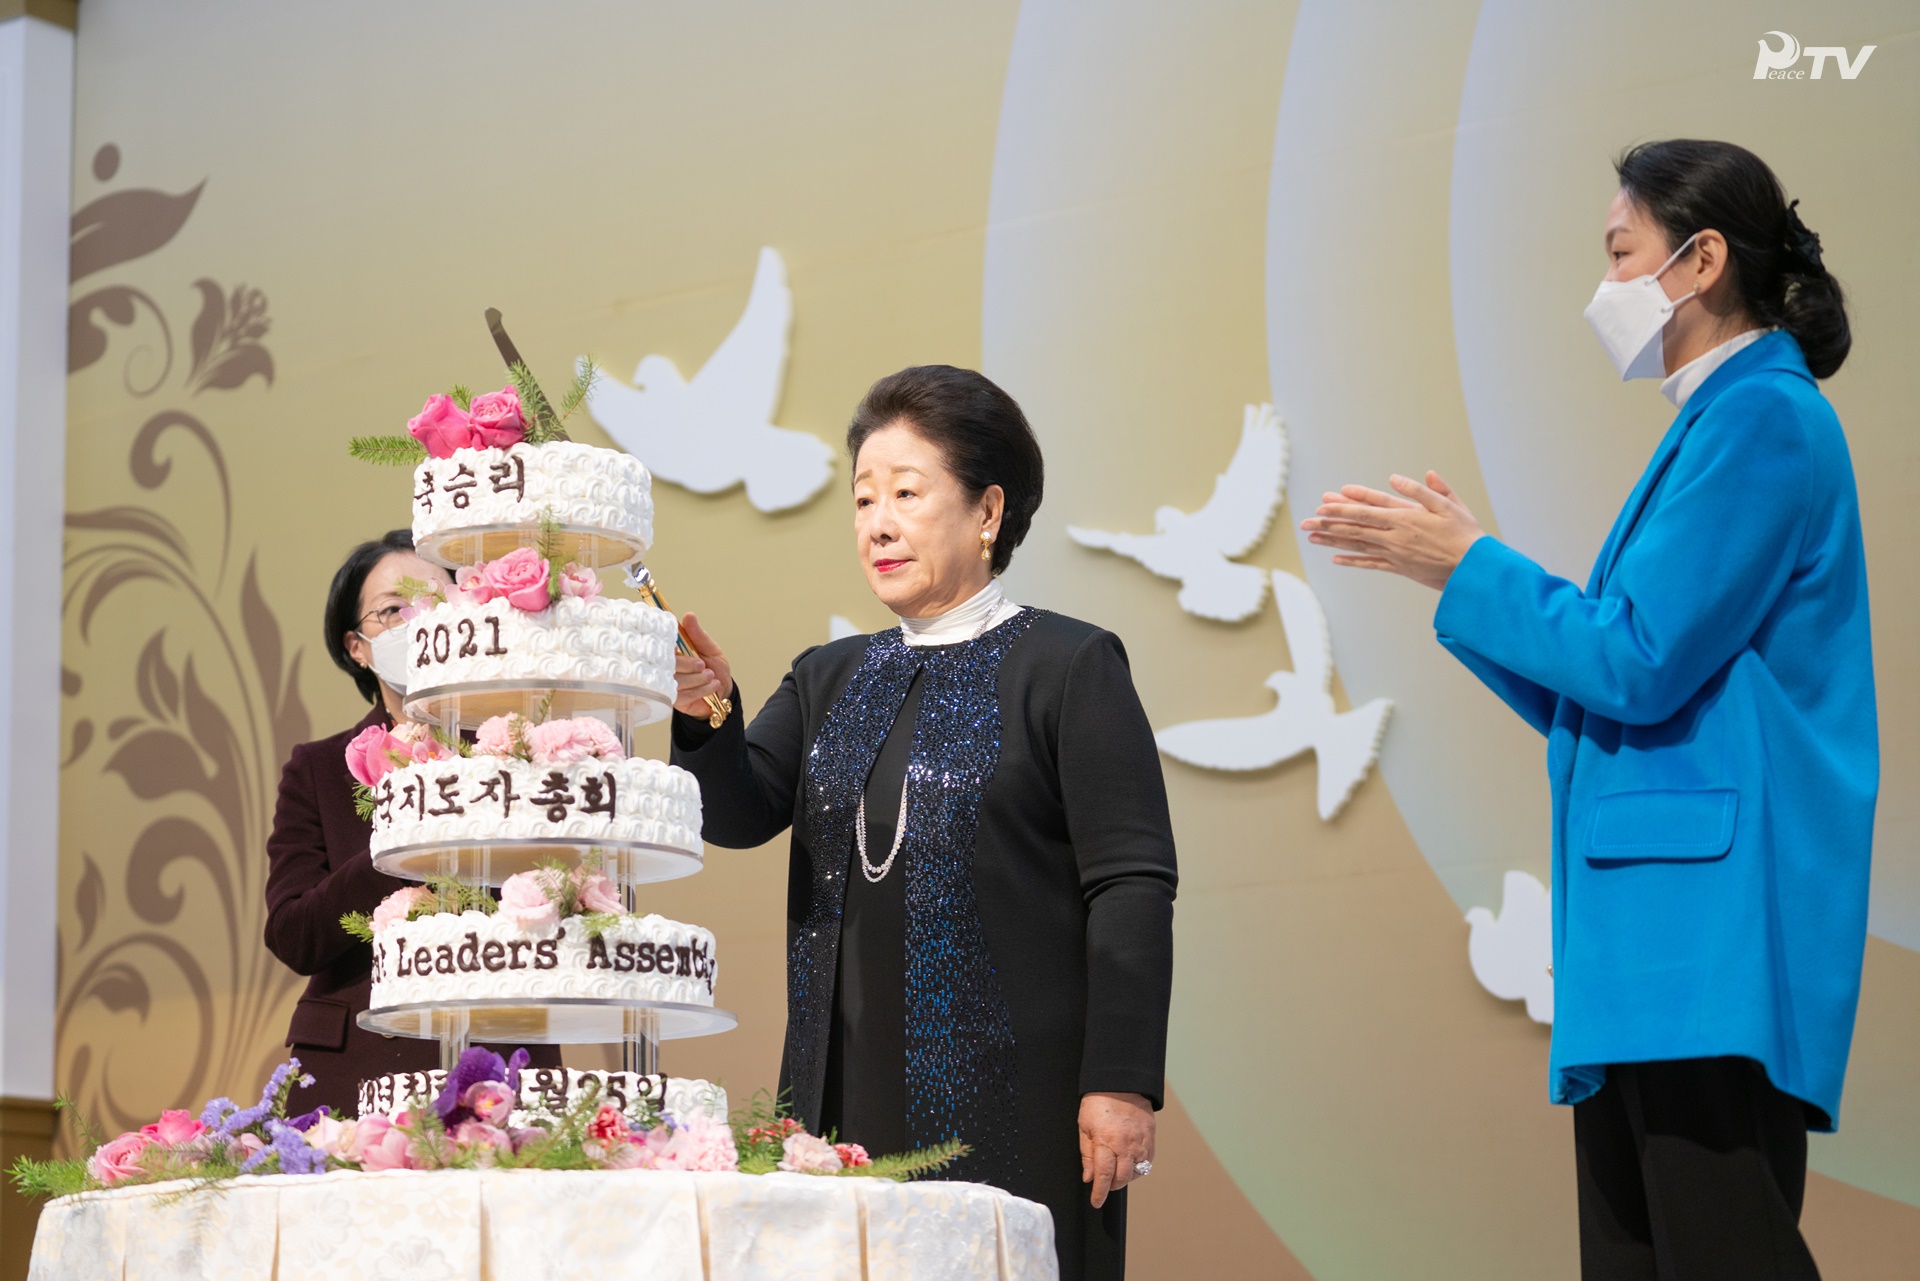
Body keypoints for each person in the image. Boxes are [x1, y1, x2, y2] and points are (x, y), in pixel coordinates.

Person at [1302, 139, 1875, 1281]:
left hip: (1701, 941)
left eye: (1623, 252)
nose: (1605, 285)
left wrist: (1471, 565)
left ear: (1701, 258)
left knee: (1719, 1251)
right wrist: (1451, 573)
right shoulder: (1714, 423)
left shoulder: (1763, 417)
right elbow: (1615, 685)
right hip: (1650, 941)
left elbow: (1639, 658)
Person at [670, 366, 1178, 1281]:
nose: (878, 521)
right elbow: (738, 812)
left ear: (988, 511)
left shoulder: (1068, 665)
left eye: (907, 492)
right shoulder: (829, 677)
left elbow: (1131, 881)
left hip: (1020, 1095)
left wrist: (1122, 1078)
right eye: (863, 498)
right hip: (844, 1095)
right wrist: (706, 713)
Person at [264, 530, 560, 1117]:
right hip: (356, 1066)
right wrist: (400, 844)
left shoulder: (522, 754)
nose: (417, 623)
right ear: (358, 647)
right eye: (393, 610)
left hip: (499, 1059)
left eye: (435, 603)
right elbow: (295, 935)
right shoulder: (320, 769)